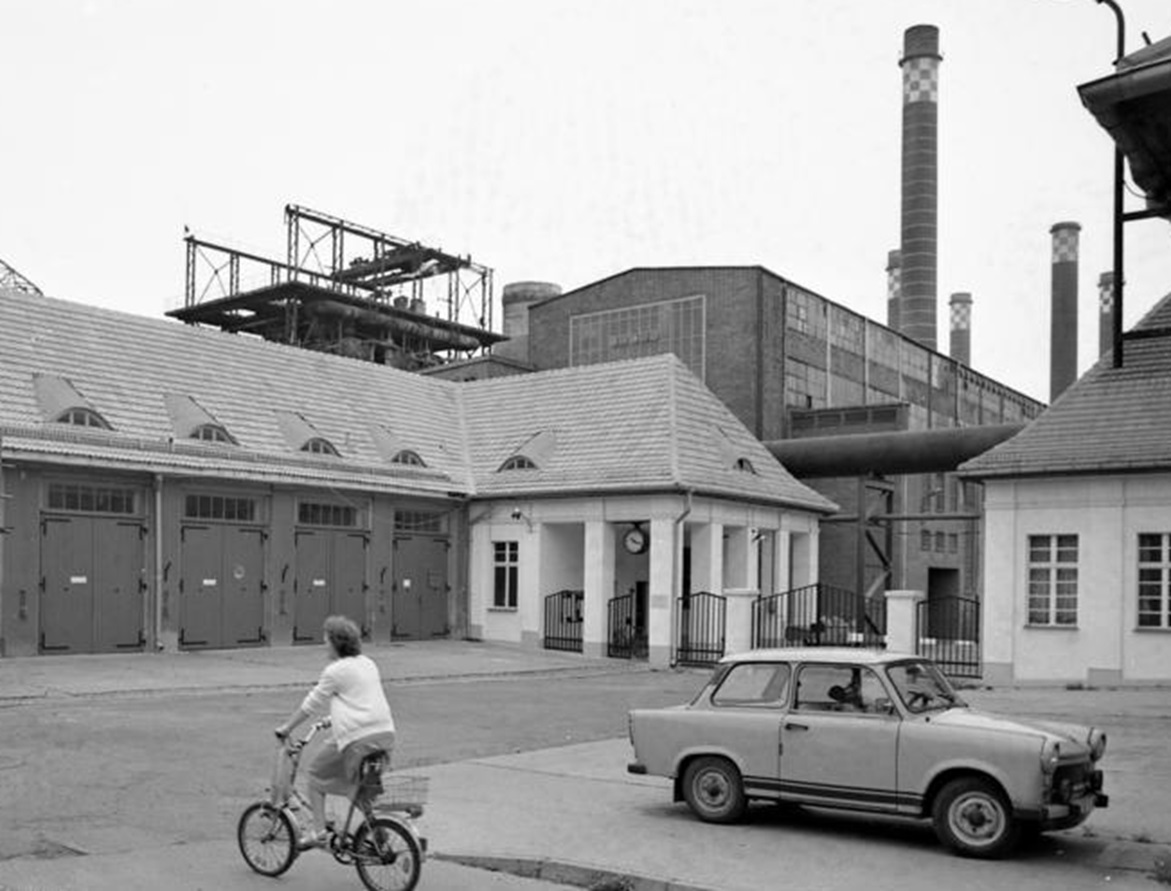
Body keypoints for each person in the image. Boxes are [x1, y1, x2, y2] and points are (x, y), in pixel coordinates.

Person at [275, 615, 396, 848]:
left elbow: (311, 703)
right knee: (356, 788)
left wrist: (286, 728)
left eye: (326, 640)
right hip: (385, 736)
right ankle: (378, 831)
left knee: (314, 776)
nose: (324, 645)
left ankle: (319, 832)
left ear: (336, 643)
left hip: (357, 741)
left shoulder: (335, 671)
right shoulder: (368, 663)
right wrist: (333, 719)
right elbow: (361, 701)